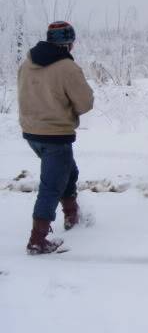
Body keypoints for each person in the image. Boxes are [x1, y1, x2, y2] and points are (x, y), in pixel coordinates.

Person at [17, 21, 94, 255]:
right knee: (51, 186)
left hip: (32, 133)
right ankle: (37, 240)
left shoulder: (28, 62)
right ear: (69, 43)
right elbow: (85, 103)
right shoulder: (67, 68)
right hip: (55, 134)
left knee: (68, 172)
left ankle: (72, 215)